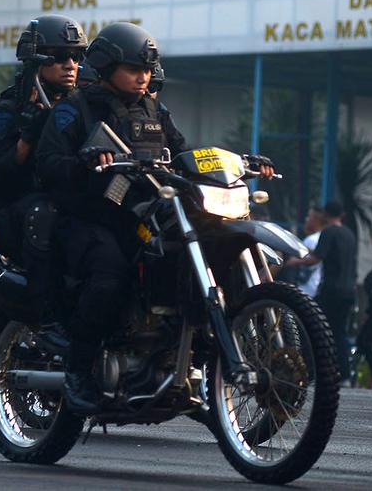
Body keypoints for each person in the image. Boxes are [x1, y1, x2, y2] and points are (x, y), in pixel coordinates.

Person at [36, 22, 275, 413]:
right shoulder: (74, 108)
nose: (143, 76)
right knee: (110, 273)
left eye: (147, 69)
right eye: (133, 68)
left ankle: (180, 354)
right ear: (106, 66)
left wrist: (239, 163)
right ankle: (78, 368)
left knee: (185, 255)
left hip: (144, 213)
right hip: (90, 218)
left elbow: (185, 154)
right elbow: (47, 166)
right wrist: (83, 161)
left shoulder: (154, 108)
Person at [0, 14, 87, 332]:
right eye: (58, 57)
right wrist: (26, 140)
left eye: (77, 56)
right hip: (21, 214)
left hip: (75, 204)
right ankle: (47, 317)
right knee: (45, 215)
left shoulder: (83, 106)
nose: (70, 64)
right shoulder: (8, 114)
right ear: (36, 61)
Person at [282, 201, 357, 383]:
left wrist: (294, 262)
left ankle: (311, 371)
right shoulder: (349, 234)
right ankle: (344, 374)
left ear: (325, 214)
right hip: (349, 291)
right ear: (343, 215)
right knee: (339, 332)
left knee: (312, 325)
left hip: (331, 289)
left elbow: (316, 258)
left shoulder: (329, 231)